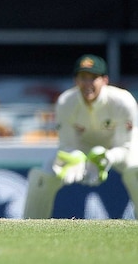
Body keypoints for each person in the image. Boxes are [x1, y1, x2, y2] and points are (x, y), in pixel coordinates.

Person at [23, 54, 138, 218]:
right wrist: (76, 158)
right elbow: (66, 144)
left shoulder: (122, 101)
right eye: (83, 77)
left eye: (93, 78)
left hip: (115, 150)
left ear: (104, 80)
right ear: (75, 80)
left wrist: (107, 157)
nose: (88, 84)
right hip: (81, 151)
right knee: (44, 174)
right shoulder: (66, 102)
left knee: (135, 170)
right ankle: (29, 227)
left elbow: (126, 147)